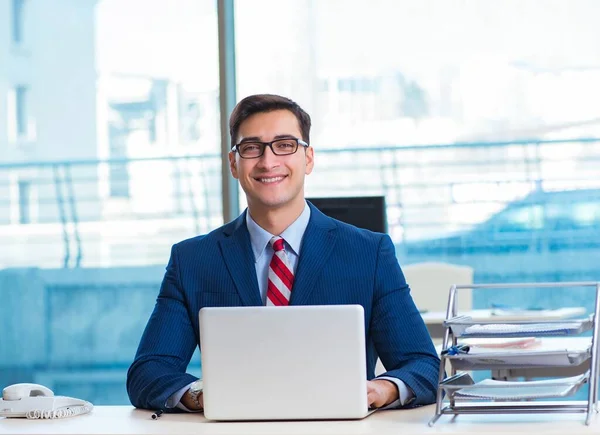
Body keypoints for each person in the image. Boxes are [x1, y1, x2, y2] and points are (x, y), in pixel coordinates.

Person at [127, 94, 440, 412]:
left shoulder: (369, 253)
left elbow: (423, 366)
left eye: (285, 145)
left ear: (309, 158)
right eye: (251, 148)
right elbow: (148, 373)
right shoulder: (192, 260)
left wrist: (381, 390)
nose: (268, 161)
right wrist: (200, 395)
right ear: (234, 163)